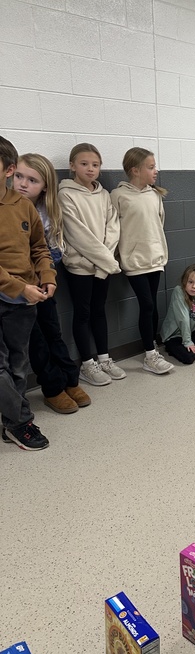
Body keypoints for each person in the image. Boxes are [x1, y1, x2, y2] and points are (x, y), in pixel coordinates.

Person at [13, 154, 91, 414]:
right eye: (19, 177)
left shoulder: (47, 212)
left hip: (43, 283)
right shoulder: (7, 209)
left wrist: (47, 279)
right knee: (36, 341)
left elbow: (49, 250)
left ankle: (70, 381)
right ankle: (52, 388)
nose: (23, 184)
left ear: (45, 186)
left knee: (53, 333)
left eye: (32, 180)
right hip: (18, 290)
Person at [0, 136, 56, 450]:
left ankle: (11, 423)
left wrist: (47, 277)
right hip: (16, 290)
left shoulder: (23, 206)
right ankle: (21, 421)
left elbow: (39, 248)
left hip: (23, 302)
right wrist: (19, 286)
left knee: (18, 365)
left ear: (8, 169)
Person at [58, 143, 123, 386]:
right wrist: (107, 262)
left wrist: (104, 264)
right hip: (80, 267)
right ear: (72, 166)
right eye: (84, 164)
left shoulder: (104, 195)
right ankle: (87, 363)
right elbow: (78, 235)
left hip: (102, 268)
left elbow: (113, 229)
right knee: (82, 313)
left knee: (99, 310)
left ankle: (104, 358)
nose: (90, 169)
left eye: (95, 165)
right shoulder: (65, 194)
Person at [112, 148, 174, 375]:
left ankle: (152, 347)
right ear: (135, 170)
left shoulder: (154, 195)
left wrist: (158, 251)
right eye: (151, 167)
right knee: (146, 305)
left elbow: (159, 224)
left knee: (152, 306)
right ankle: (149, 355)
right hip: (134, 261)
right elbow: (113, 229)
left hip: (155, 259)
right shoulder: (118, 196)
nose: (155, 171)